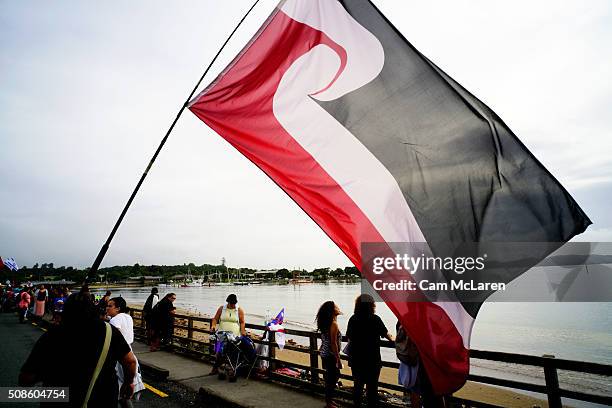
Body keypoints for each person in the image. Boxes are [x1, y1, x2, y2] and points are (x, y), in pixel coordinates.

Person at [19, 292, 137, 407]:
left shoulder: (53, 334)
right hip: (102, 397)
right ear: (92, 308)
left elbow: (27, 377)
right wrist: (128, 382)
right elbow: (130, 361)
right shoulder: (109, 331)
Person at [346, 294, 393, 407]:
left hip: (356, 359)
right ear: (372, 305)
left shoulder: (353, 318)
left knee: (358, 386)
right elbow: (387, 335)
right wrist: (394, 340)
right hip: (372, 360)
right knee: (372, 388)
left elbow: (349, 336)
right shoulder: (375, 319)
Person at [106, 297, 146, 402]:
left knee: (120, 386)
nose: (107, 308)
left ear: (118, 308)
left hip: (119, 354)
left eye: (110, 306)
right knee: (128, 384)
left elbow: (114, 337)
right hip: (129, 350)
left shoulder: (115, 320)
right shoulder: (128, 317)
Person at [209, 294, 246, 375]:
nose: (232, 305)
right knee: (218, 351)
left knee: (232, 352)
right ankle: (215, 368)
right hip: (221, 335)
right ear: (228, 302)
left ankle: (231, 369)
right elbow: (215, 319)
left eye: (234, 303)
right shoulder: (222, 308)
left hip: (234, 336)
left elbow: (242, 322)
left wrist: (243, 330)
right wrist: (213, 325)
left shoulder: (239, 310)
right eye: (231, 303)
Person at [316, 300, 342, 408]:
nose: (338, 308)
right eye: (336, 307)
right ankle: (328, 402)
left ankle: (329, 401)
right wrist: (338, 359)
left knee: (330, 378)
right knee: (334, 377)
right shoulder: (333, 324)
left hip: (324, 354)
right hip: (330, 355)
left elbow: (325, 339)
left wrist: (322, 348)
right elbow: (333, 343)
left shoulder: (326, 322)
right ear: (332, 310)